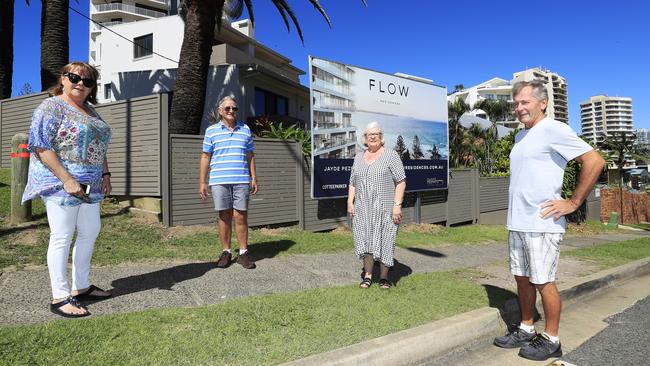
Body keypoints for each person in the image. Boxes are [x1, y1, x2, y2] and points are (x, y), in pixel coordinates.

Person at [493, 80, 605, 360]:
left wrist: (574, 202)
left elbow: (594, 161)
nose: (519, 108)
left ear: (542, 103)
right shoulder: (521, 137)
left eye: (525, 102)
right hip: (517, 222)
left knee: (544, 281)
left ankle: (552, 339)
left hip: (542, 223)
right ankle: (526, 327)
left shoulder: (553, 129)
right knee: (522, 278)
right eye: (516, 103)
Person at [22, 62, 113, 318]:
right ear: (63, 79)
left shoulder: (92, 111)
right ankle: (60, 297)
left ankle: (81, 286)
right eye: (74, 77)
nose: (80, 84)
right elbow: (40, 145)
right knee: (62, 236)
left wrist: (105, 174)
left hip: (91, 183)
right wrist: (66, 178)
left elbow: (100, 146)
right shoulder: (51, 106)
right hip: (61, 182)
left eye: (87, 81)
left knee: (89, 232)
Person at [199, 96, 259, 269]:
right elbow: (205, 156)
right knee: (224, 216)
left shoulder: (245, 129)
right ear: (220, 111)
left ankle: (243, 253)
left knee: (241, 216)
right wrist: (202, 182)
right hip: (219, 180)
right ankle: (226, 251)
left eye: (234, 108)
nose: (231, 111)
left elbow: (250, 155)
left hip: (241, 180)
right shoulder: (211, 131)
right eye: (228, 108)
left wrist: (253, 177)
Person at [347, 122, 406, 289]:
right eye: (369, 134)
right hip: (362, 209)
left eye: (376, 134)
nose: (373, 137)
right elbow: (352, 182)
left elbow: (401, 182)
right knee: (365, 241)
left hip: (385, 209)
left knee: (386, 240)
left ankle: (384, 277)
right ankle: (368, 275)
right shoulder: (358, 157)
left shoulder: (391, 155)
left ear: (381, 137)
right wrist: (349, 202)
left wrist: (397, 205)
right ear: (364, 138)